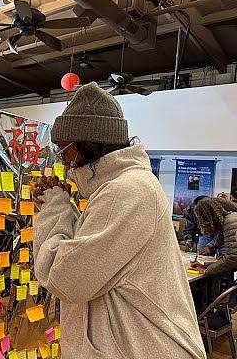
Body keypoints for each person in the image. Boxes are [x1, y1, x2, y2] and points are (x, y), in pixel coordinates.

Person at [32, 82, 205, 358]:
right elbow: (90, 255)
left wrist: (55, 208)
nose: (63, 161)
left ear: (87, 144)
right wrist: (63, 207)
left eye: (64, 150)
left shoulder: (125, 191)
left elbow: (66, 278)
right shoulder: (125, 187)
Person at [190, 198, 237, 276]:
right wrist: (205, 266)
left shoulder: (230, 221)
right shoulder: (230, 218)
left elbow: (232, 258)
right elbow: (220, 239)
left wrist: (207, 271)